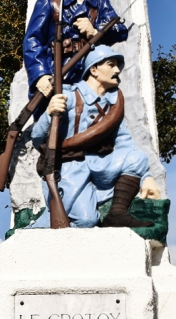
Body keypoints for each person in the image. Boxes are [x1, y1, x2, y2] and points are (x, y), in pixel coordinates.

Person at [31, 45, 161, 229]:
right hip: (69, 167)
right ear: (93, 70)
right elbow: (37, 139)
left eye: (118, 66)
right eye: (111, 64)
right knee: (86, 221)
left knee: (137, 157)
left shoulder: (112, 105)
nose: (117, 70)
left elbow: (124, 142)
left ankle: (117, 214)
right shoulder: (68, 96)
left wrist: (145, 176)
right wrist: (49, 113)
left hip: (100, 164)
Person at [22, 0, 128, 97]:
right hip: (57, 72)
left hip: (90, 76)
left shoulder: (100, 3)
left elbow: (120, 30)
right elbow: (33, 40)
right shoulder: (50, 2)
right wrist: (40, 74)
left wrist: (94, 32)